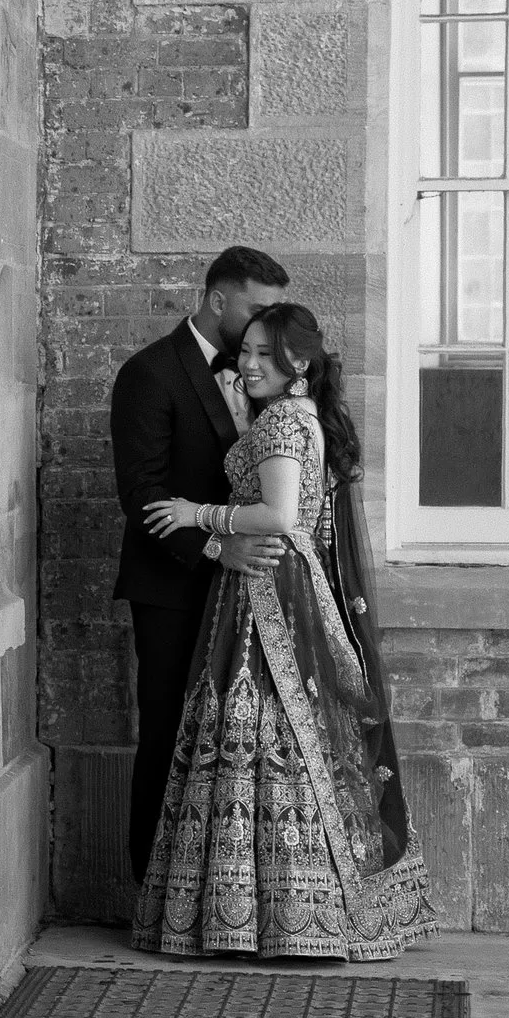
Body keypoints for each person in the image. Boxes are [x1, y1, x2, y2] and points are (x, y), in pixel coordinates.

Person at [131, 302, 436, 959]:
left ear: (299, 363)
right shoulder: (303, 415)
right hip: (287, 582)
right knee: (293, 734)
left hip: (267, 586)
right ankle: (294, 912)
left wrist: (198, 513)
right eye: (246, 352)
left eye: (264, 355)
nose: (248, 363)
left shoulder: (279, 421)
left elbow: (276, 513)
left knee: (265, 728)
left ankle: (275, 915)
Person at [109, 247, 290, 882]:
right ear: (218, 301)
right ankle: (149, 892)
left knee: (236, 745)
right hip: (172, 588)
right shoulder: (150, 374)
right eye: (258, 308)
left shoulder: (272, 373)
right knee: (168, 733)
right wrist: (218, 546)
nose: (270, 322)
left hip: (252, 596)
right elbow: (142, 494)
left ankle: (217, 897)